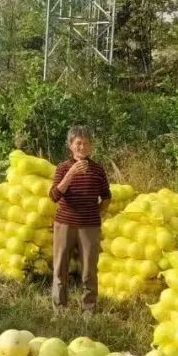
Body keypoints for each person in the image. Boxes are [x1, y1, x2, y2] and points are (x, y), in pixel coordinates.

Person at [50, 125, 111, 311]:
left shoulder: (98, 170)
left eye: (86, 143)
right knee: (60, 268)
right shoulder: (62, 168)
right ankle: (59, 308)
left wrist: (96, 212)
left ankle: (88, 309)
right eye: (78, 143)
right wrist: (71, 174)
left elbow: (107, 197)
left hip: (89, 226)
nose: (82, 147)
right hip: (64, 224)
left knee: (89, 271)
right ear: (70, 145)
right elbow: (54, 196)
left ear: (91, 147)